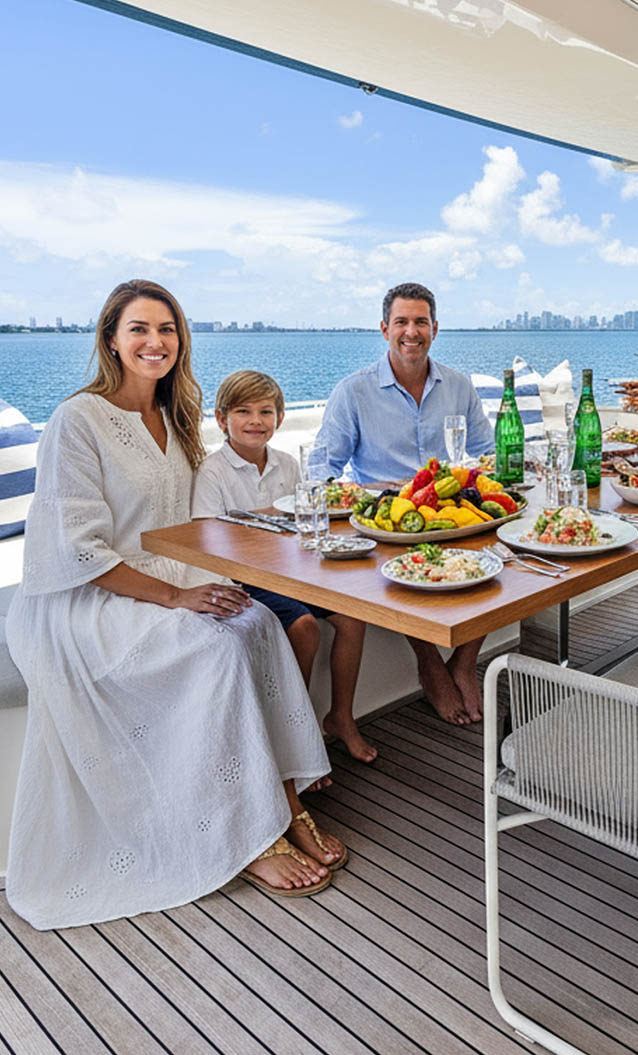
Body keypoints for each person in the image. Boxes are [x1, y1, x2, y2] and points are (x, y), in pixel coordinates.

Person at [4, 280, 346, 930]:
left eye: (167, 329)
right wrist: (178, 594)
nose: (155, 341)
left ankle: (283, 800)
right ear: (111, 338)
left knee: (260, 625)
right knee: (216, 645)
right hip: (89, 599)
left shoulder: (180, 413)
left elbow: (194, 520)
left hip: (173, 572)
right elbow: (75, 548)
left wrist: (215, 580)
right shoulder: (79, 419)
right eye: (139, 328)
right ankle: (246, 838)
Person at [316, 282, 494, 726]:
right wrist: (379, 491)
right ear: (384, 329)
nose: (411, 332)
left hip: (452, 511)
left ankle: (466, 660)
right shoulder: (353, 391)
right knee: (400, 564)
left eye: (420, 322)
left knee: (507, 550)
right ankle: (429, 660)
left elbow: (487, 455)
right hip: (388, 519)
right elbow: (320, 470)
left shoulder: (458, 385)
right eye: (401, 322)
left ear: (435, 328)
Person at [192, 370, 375, 766]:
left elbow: (299, 523)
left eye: (265, 411)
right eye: (243, 411)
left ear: (280, 418)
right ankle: (297, 736)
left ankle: (340, 716)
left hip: (287, 572)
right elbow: (206, 543)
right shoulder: (213, 472)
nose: (255, 421)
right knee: (305, 627)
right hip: (242, 578)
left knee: (352, 615)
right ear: (222, 420)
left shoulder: (287, 464)